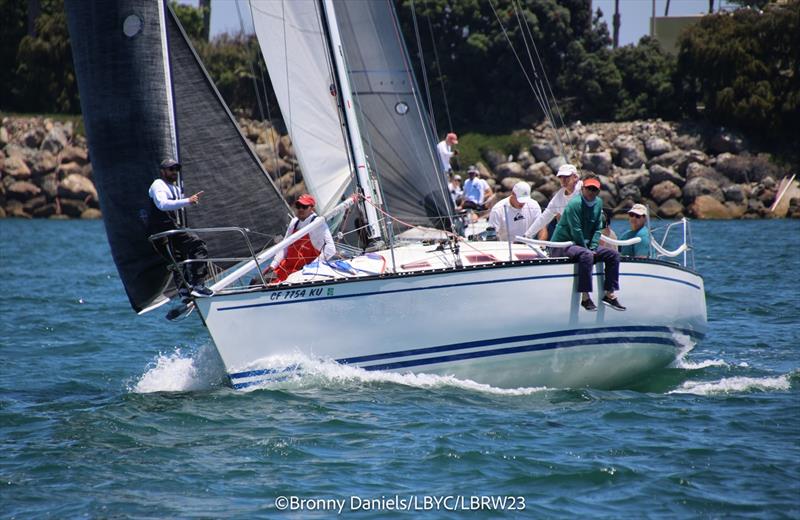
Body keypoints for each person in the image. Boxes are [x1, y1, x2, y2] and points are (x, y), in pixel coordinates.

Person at [550, 174, 626, 312]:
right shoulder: (574, 204)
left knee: (614, 255)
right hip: (564, 244)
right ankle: (585, 298)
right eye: (588, 188)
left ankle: (610, 294)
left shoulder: (598, 203)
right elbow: (576, 230)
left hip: (583, 245)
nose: (591, 192)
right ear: (582, 189)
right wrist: (588, 250)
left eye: (594, 189)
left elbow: (598, 227)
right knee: (587, 255)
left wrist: (592, 247)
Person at [147, 158, 211, 297]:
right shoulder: (158, 184)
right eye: (171, 169)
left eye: (176, 169)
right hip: (163, 231)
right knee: (198, 246)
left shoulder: (175, 188)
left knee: (179, 258)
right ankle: (198, 285)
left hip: (171, 229)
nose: (174, 172)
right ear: (162, 171)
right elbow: (162, 205)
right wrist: (188, 201)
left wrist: (186, 200)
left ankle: (185, 290)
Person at [260, 193, 336, 283]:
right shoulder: (294, 222)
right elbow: (285, 246)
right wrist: (273, 265)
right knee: (257, 281)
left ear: (311, 208)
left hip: (303, 271)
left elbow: (331, 249)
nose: (300, 209)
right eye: (298, 206)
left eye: (304, 207)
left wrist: (313, 266)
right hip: (287, 267)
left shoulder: (318, 224)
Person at [523, 163, 582, 240]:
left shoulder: (583, 190)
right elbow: (544, 218)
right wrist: (527, 235)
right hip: (570, 236)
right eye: (561, 177)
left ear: (575, 177)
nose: (563, 180)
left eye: (567, 177)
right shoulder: (559, 197)